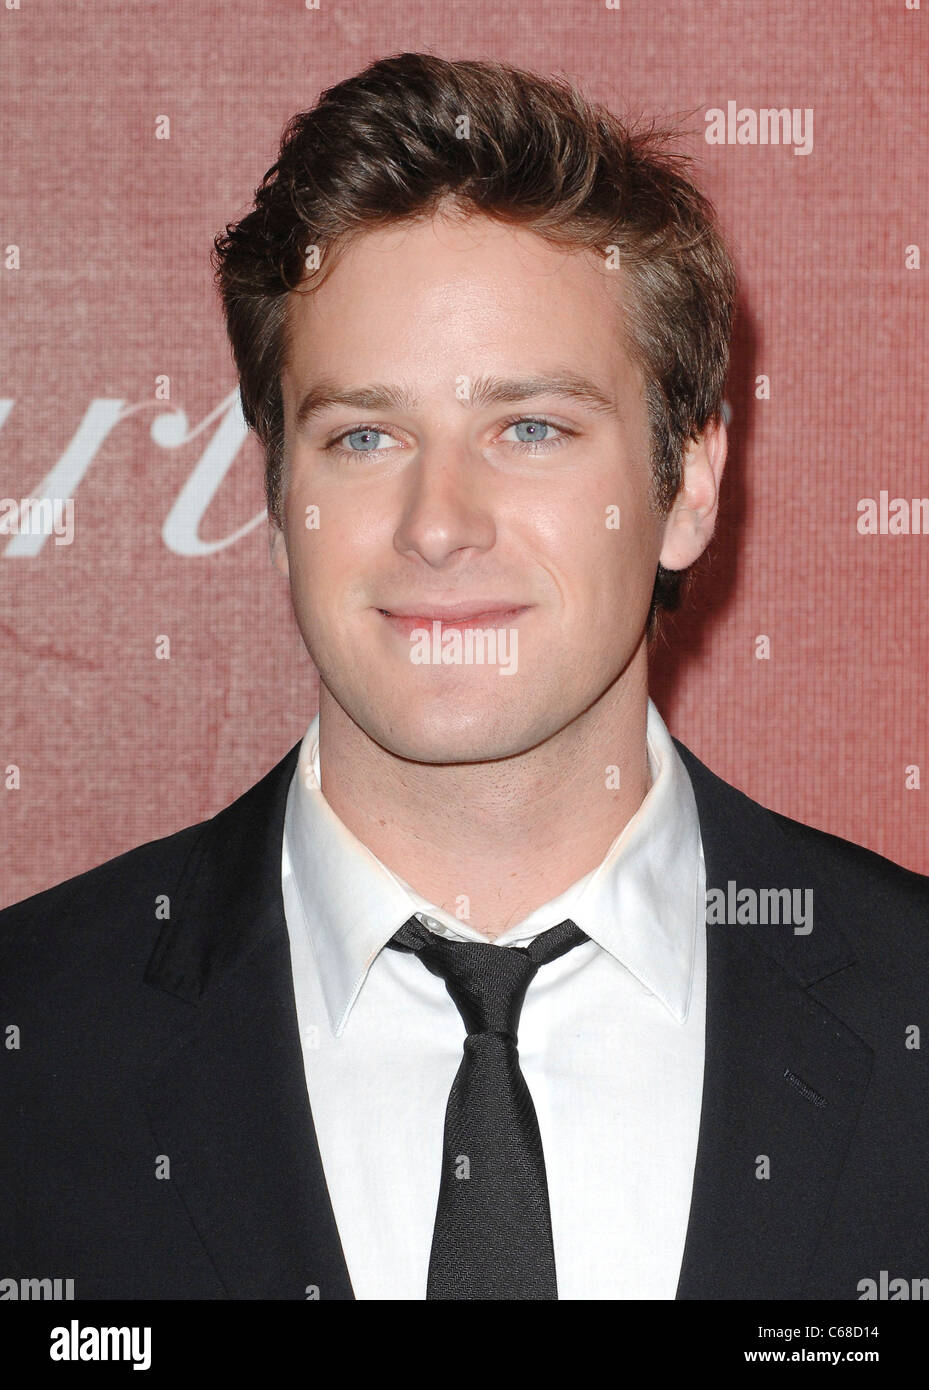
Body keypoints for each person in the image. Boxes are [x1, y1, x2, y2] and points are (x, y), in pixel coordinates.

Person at [1, 52, 927, 1302]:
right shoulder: (34, 1042)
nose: (437, 522)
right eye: (363, 436)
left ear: (688, 485)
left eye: (529, 428)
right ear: (277, 499)